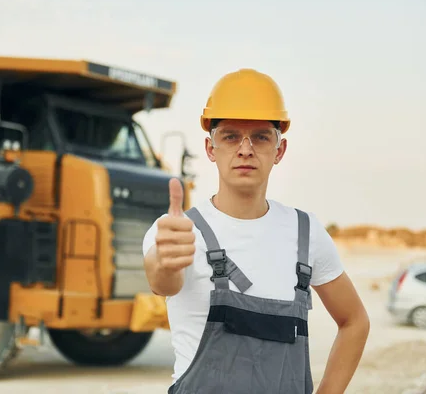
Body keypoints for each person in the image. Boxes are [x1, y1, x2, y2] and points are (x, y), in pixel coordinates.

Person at [142, 69, 370, 394]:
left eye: (261, 136)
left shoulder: (306, 233)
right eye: (231, 136)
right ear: (210, 148)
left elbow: (355, 321)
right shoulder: (176, 232)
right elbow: (163, 281)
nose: (245, 149)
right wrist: (165, 261)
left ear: (280, 150)